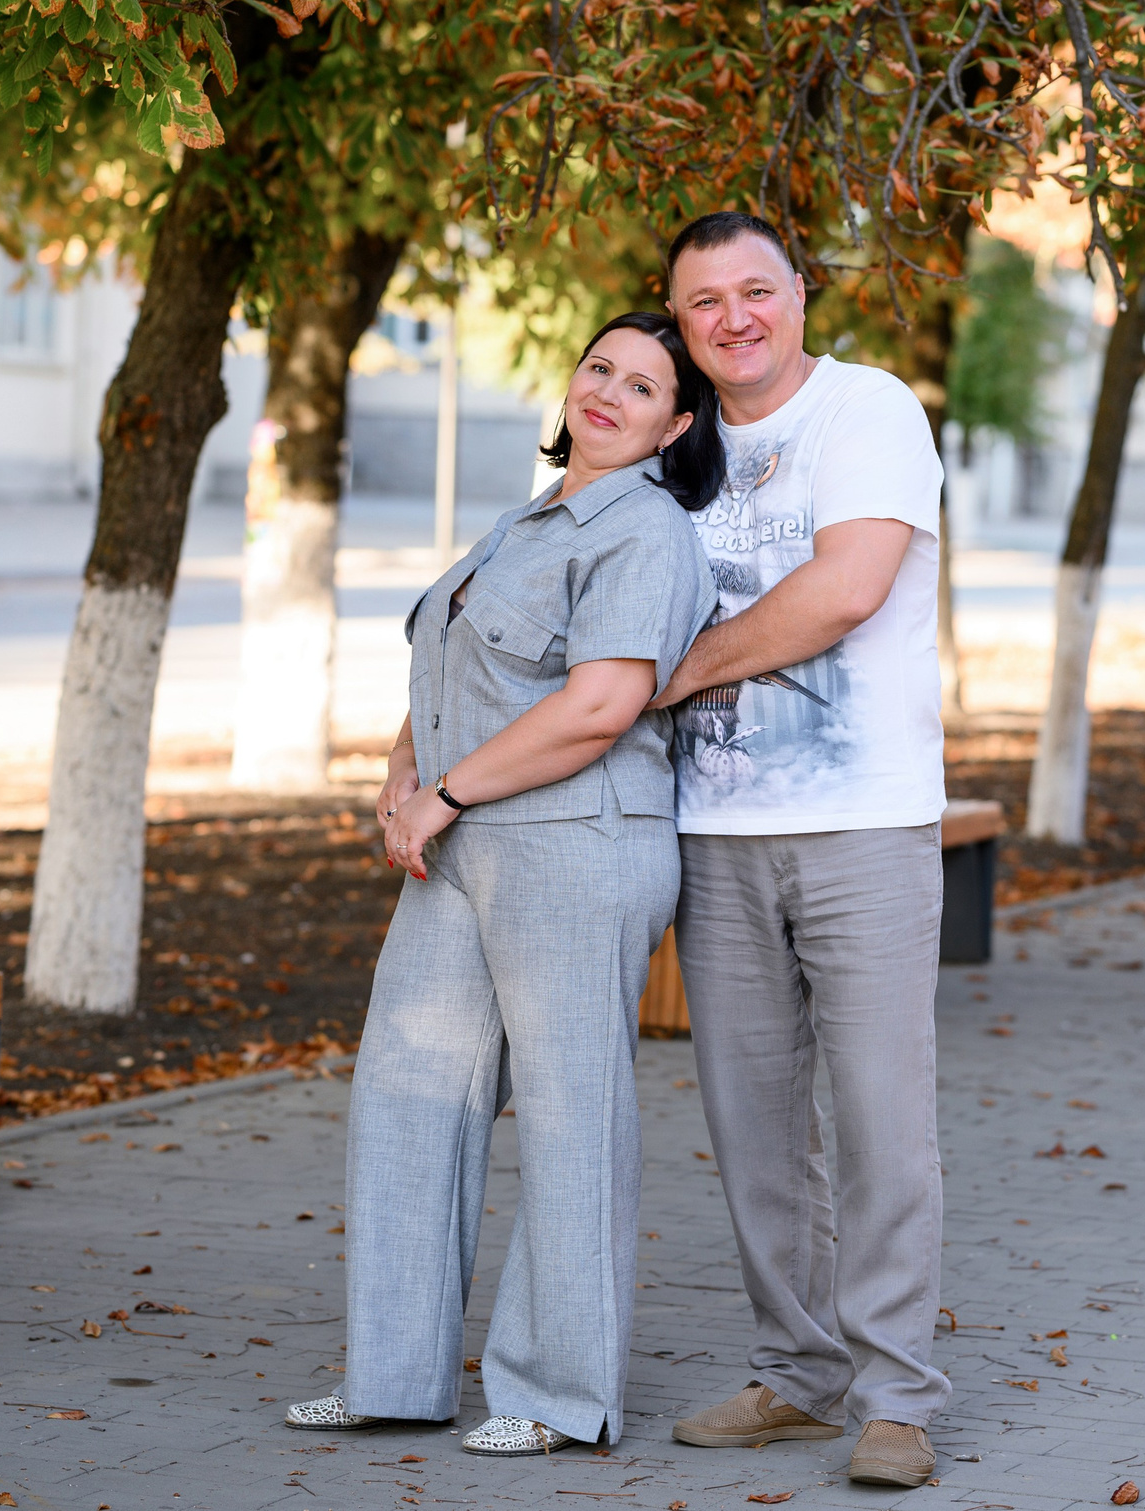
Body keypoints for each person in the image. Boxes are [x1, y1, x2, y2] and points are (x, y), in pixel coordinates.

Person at [286, 312, 720, 1456]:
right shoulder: (528, 518)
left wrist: (445, 790)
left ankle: (556, 1391)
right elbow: (451, 661)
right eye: (598, 367)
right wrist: (402, 770)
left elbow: (599, 704)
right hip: (466, 838)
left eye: (642, 386)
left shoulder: (647, 529)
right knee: (409, 1090)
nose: (608, 391)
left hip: (577, 844)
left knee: (573, 1114)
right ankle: (392, 1373)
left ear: (675, 424)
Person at [651, 212, 952, 1488]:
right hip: (711, 832)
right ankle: (797, 1372)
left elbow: (844, 589)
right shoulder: (673, 440)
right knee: (754, 1125)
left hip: (862, 822)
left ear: (799, 295)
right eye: (703, 301)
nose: (734, 317)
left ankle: (897, 1398)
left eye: (755, 290)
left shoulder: (867, 409)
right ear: (679, 321)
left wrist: (667, 674)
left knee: (883, 1118)